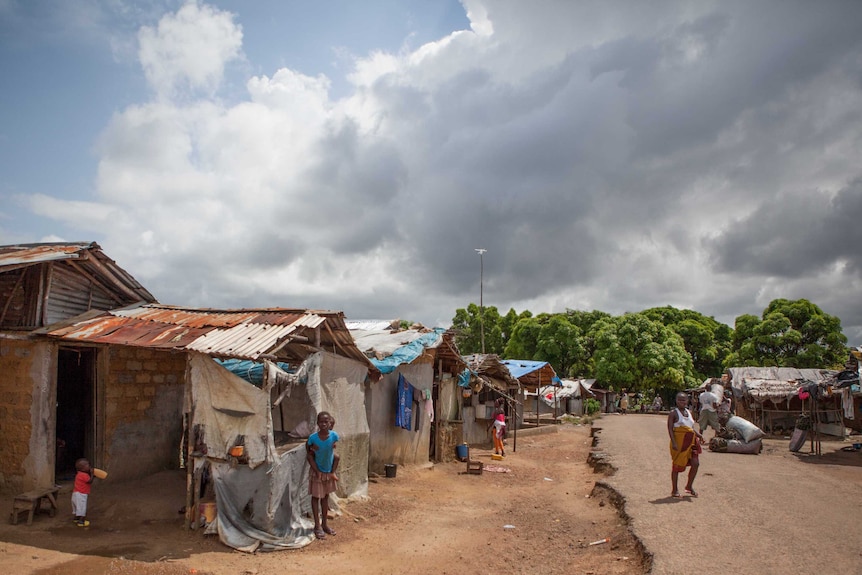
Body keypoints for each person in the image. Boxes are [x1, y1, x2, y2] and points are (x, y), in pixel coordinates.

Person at [306, 411, 340, 540]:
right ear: (317, 423)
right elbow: (308, 453)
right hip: (317, 472)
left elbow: (332, 450)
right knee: (316, 498)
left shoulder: (334, 436)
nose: (324, 424)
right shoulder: (313, 438)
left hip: (327, 471)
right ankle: (317, 526)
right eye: (321, 422)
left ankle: (325, 524)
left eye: (326, 422)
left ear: (330, 423)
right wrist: (316, 470)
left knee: (325, 497)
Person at [667, 392, 703, 498]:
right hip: (679, 443)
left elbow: (690, 428)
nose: (682, 402)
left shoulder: (688, 412)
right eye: (679, 400)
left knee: (695, 464)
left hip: (691, 443)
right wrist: (673, 442)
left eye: (684, 400)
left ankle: (689, 486)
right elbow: (670, 428)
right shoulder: (673, 413)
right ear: (676, 401)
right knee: (677, 466)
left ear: (687, 401)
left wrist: (699, 435)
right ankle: (674, 489)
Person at [72, 458, 94, 526]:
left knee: (77, 507)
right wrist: (92, 474)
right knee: (82, 508)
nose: (90, 467)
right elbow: (90, 481)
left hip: (75, 494)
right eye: (88, 465)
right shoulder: (85, 475)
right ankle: (81, 521)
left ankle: (76, 518)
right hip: (81, 494)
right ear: (83, 468)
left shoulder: (79, 474)